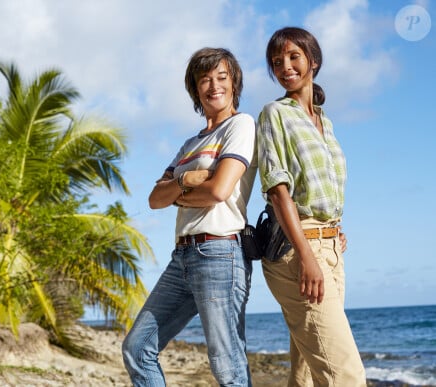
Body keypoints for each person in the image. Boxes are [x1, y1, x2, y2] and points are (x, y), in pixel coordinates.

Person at [122, 47, 257, 386]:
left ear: (234, 82)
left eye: (221, 78)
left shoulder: (240, 125)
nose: (214, 86)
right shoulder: (189, 145)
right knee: (137, 347)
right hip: (182, 256)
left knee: (227, 365)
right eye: (204, 80)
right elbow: (155, 199)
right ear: (195, 89)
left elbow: (218, 191)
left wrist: (178, 195)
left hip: (220, 252)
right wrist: (185, 179)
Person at [257, 26, 366, 386]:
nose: (285, 66)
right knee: (346, 375)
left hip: (330, 248)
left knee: (305, 373)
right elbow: (277, 189)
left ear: (313, 61)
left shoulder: (326, 123)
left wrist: (333, 229)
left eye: (293, 56)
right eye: (277, 61)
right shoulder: (275, 114)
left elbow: (323, 188)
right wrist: (307, 253)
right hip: (297, 251)